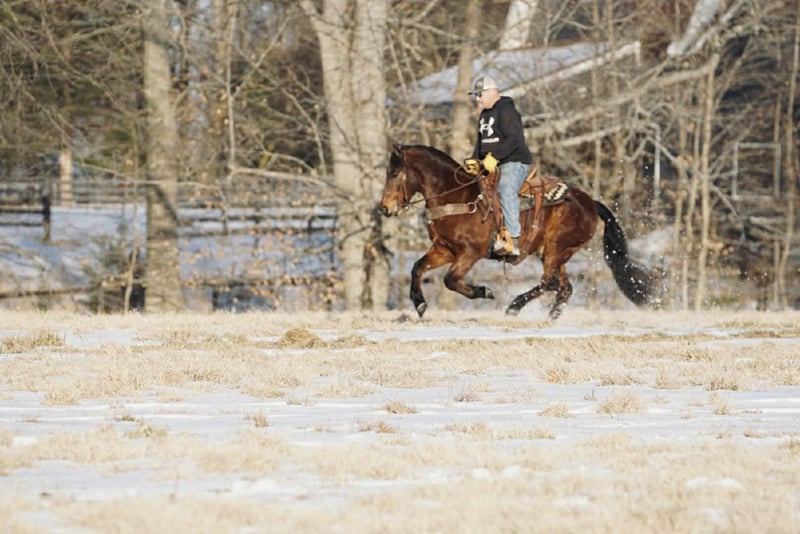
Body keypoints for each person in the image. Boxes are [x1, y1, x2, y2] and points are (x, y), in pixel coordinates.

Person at [463, 75, 532, 256]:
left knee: (506, 189)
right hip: (491, 164)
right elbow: (481, 142)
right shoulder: (484, 115)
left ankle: (513, 239)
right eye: (476, 95)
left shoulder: (507, 110)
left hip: (513, 161)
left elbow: (515, 139)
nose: (477, 99)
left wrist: (495, 156)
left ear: (492, 92)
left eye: (479, 94)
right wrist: (474, 159)